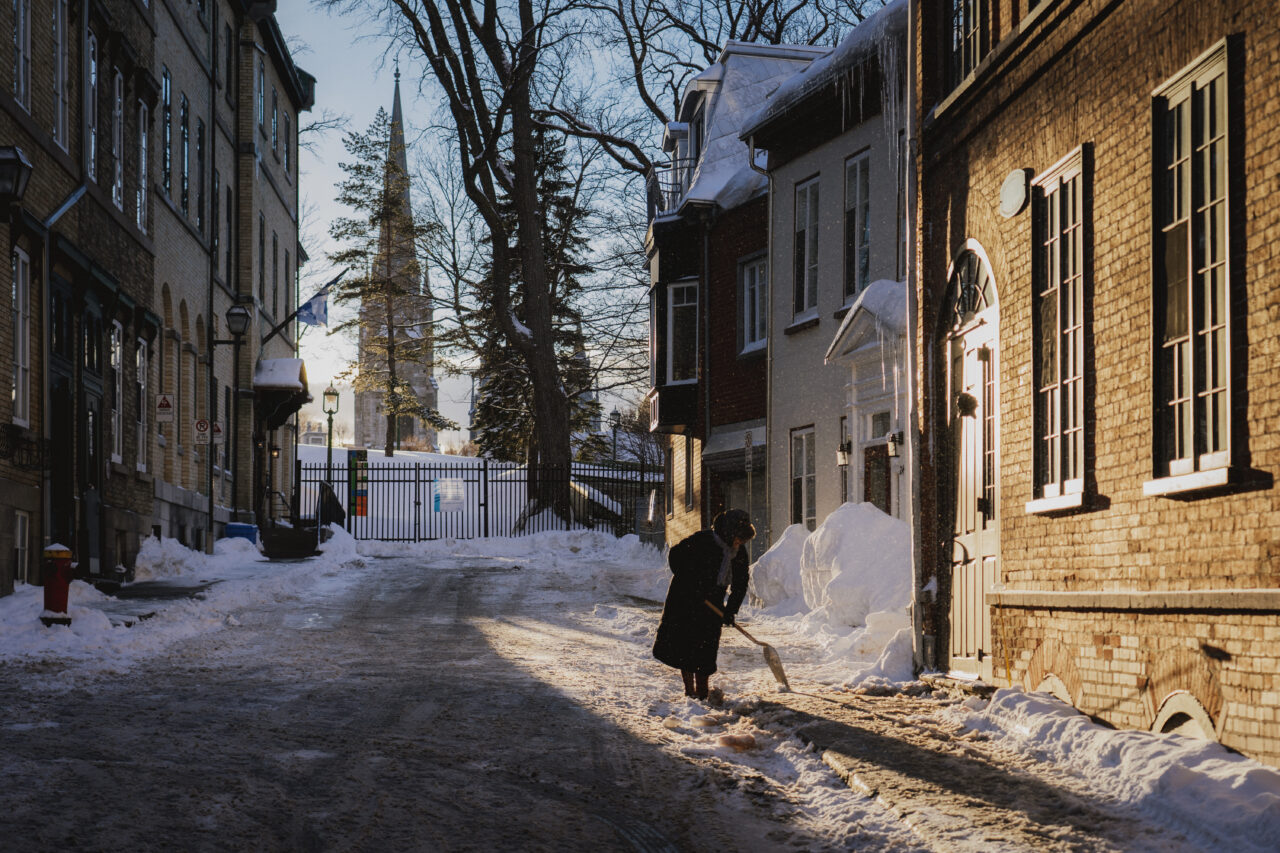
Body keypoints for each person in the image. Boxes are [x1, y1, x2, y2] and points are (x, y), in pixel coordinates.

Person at [652, 509, 757, 700]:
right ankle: (689, 690)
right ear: (728, 532)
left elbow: (741, 583)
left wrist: (730, 611)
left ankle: (701, 692)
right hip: (686, 597)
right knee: (686, 646)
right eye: (737, 539)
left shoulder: (739, 552)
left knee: (706, 649)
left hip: (713, 602)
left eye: (742, 541)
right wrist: (691, 581)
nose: (738, 543)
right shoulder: (703, 540)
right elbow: (675, 556)